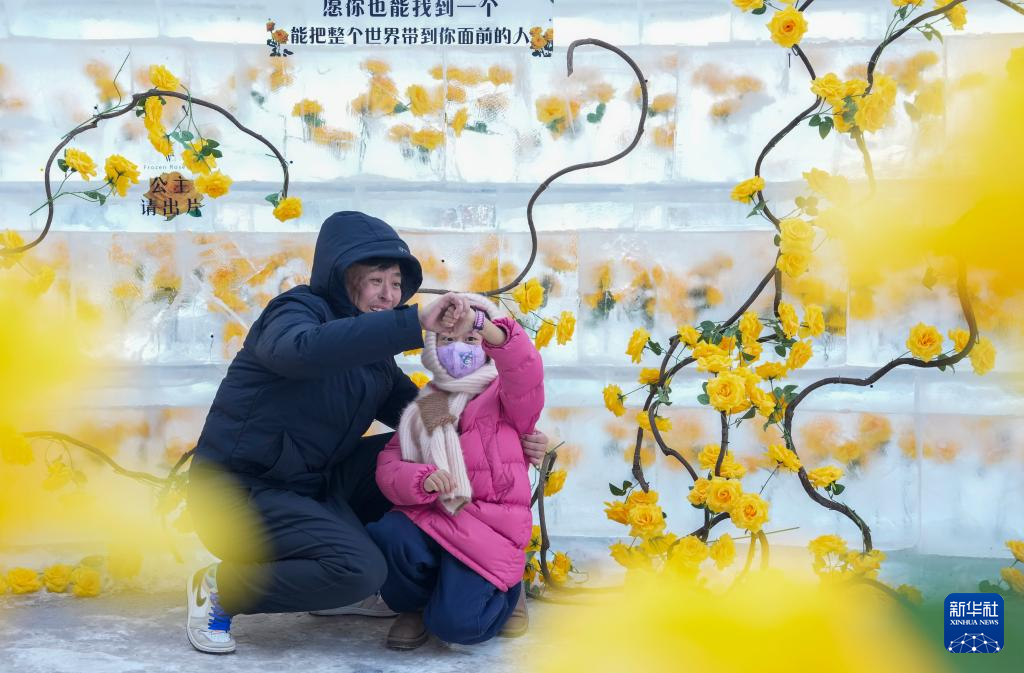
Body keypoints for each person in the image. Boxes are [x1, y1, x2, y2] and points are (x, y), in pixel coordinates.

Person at [184, 211, 547, 654]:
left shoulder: (375, 357)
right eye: (376, 280)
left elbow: (425, 417)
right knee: (358, 570)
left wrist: (507, 434)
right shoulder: (294, 312)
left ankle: (471, 579)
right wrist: (412, 322)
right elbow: (301, 350)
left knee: (428, 455)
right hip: (239, 493)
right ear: (341, 276)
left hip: (314, 485)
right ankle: (222, 587)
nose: (389, 294)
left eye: (396, 283)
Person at [367, 292, 542, 649]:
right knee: (390, 532)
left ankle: (508, 589)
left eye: (470, 340)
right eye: (447, 339)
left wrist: (480, 324)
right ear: (434, 349)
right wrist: (420, 479)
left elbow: (525, 370)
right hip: (435, 517)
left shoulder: (507, 399)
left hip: (488, 528)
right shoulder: (429, 404)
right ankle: (415, 605)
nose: (459, 348)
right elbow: (390, 464)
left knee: (460, 626)